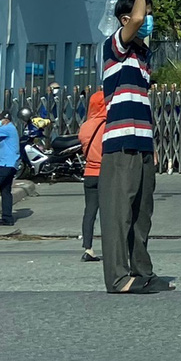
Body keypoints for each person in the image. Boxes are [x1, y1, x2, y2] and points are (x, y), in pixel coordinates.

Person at [100, 0, 165, 295]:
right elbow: (138, 18)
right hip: (121, 143)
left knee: (142, 213)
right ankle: (118, 277)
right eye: (144, 14)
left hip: (142, 144)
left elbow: (144, 103)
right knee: (119, 213)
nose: (147, 20)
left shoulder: (142, 54)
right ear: (125, 21)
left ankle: (142, 270)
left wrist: (152, 145)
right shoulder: (116, 45)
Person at [78, 89, 105, 262]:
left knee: (90, 211)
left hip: (89, 173)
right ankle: (113, 247)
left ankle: (88, 248)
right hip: (107, 174)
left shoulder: (85, 126)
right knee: (110, 212)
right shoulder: (109, 126)